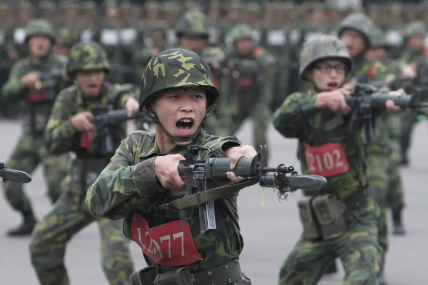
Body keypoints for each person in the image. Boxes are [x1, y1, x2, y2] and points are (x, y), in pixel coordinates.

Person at [86, 49, 255, 285]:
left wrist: (242, 155)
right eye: (174, 97)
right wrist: (151, 172)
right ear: (152, 105)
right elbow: (96, 200)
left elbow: (227, 149)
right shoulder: (137, 147)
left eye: (197, 97)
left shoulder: (210, 149)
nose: (187, 107)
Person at [274, 35, 403, 285]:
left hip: (358, 218)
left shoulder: (355, 98)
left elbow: (379, 96)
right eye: (325, 67)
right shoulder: (302, 105)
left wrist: (392, 99)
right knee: (290, 277)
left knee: (362, 279)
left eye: (339, 68)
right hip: (320, 222)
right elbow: (281, 120)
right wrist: (320, 101)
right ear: (309, 72)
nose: (334, 74)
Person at [29, 41, 137, 285]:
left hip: (114, 192)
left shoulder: (114, 93)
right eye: (86, 73)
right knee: (42, 245)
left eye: (97, 71)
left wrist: (130, 103)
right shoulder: (67, 99)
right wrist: (72, 125)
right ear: (74, 75)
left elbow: (124, 96)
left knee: (116, 261)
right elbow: (50, 143)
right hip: (79, 190)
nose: (93, 78)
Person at [1, 19, 70, 236]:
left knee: (57, 185)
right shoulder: (22, 67)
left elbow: (78, 85)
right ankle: (28, 219)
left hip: (54, 134)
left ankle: (61, 225)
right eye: (35, 39)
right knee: (10, 180)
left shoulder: (61, 64)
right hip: (30, 135)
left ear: (50, 42)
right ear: (28, 43)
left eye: (44, 39)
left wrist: (60, 77)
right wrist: (23, 82)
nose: (40, 43)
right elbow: (7, 94)